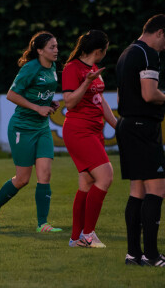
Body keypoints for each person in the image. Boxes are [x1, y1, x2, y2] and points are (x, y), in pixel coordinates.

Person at [116, 14, 165, 267]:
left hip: (128, 125)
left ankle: (133, 254)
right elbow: (149, 94)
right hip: (143, 128)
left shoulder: (126, 52)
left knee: (138, 192)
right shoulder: (147, 53)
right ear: (158, 32)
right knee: (158, 190)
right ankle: (152, 255)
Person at [0, 31, 62, 233]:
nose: (56, 50)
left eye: (56, 46)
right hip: (22, 127)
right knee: (22, 179)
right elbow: (12, 94)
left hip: (42, 127)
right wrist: (38, 108)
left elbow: (41, 92)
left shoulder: (53, 66)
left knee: (45, 173)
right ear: (40, 50)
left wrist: (48, 102)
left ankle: (42, 224)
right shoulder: (30, 68)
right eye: (52, 47)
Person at [62, 30, 117, 248]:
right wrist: (86, 82)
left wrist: (117, 126)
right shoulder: (72, 68)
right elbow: (69, 102)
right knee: (106, 176)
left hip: (95, 130)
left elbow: (99, 99)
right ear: (99, 50)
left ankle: (76, 239)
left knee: (87, 182)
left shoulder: (94, 68)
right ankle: (88, 235)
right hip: (78, 130)